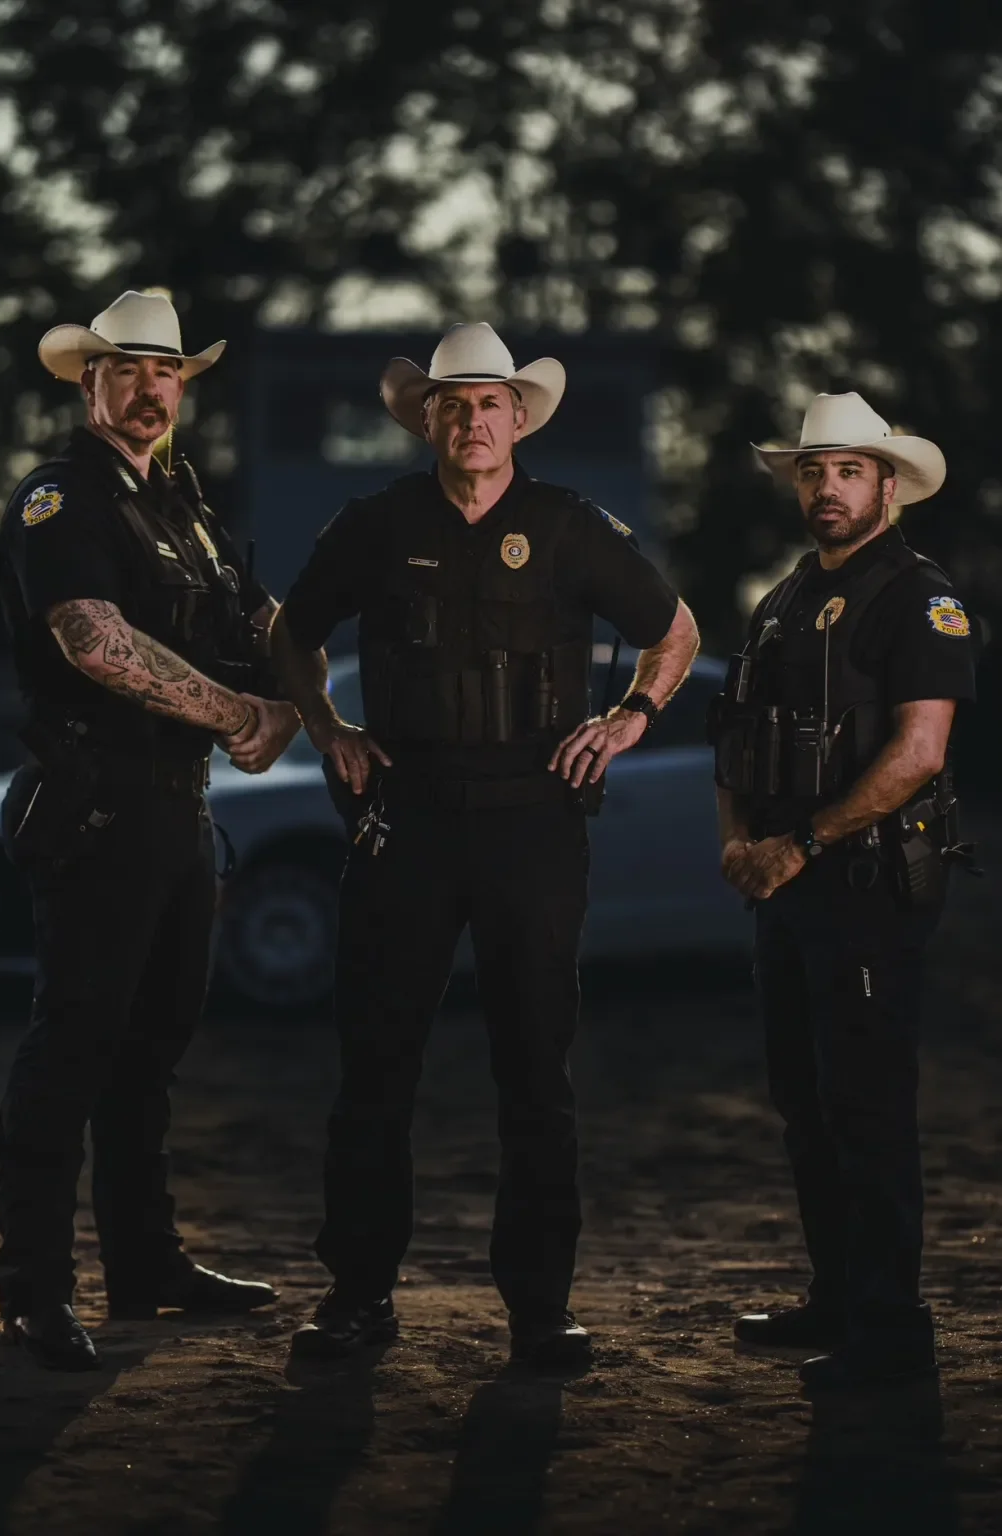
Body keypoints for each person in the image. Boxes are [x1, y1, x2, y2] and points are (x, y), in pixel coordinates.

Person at [270, 322, 699, 1366]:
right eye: (452, 403)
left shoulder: (568, 527)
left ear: (519, 417)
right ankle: (358, 1298)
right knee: (375, 1067)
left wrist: (631, 717)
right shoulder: (374, 524)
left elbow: (673, 628)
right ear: (429, 419)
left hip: (532, 821)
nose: (471, 419)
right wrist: (328, 729)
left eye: (489, 402)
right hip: (404, 817)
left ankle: (540, 1310)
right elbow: (288, 630)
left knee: (535, 1074)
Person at [0, 290, 301, 1370]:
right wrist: (243, 716)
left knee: (151, 1051)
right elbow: (92, 640)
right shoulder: (60, 496)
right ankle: (32, 1289)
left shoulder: (181, 504)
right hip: (99, 805)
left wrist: (317, 695)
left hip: (180, 811)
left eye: (166, 372)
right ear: (90, 382)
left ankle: (146, 1263)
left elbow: (261, 624)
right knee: (73, 1043)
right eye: (126, 370)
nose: (149, 389)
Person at [711, 392, 977, 1389]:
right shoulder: (781, 599)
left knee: (868, 1106)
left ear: (890, 486)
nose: (828, 486)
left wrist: (802, 844)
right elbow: (735, 734)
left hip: (865, 885)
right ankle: (837, 1299)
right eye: (815, 471)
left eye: (850, 470)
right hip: (785, 887)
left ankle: (891, 1332)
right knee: (805, 1101)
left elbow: (919, 753)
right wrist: (742, 841)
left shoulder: (918, 597)